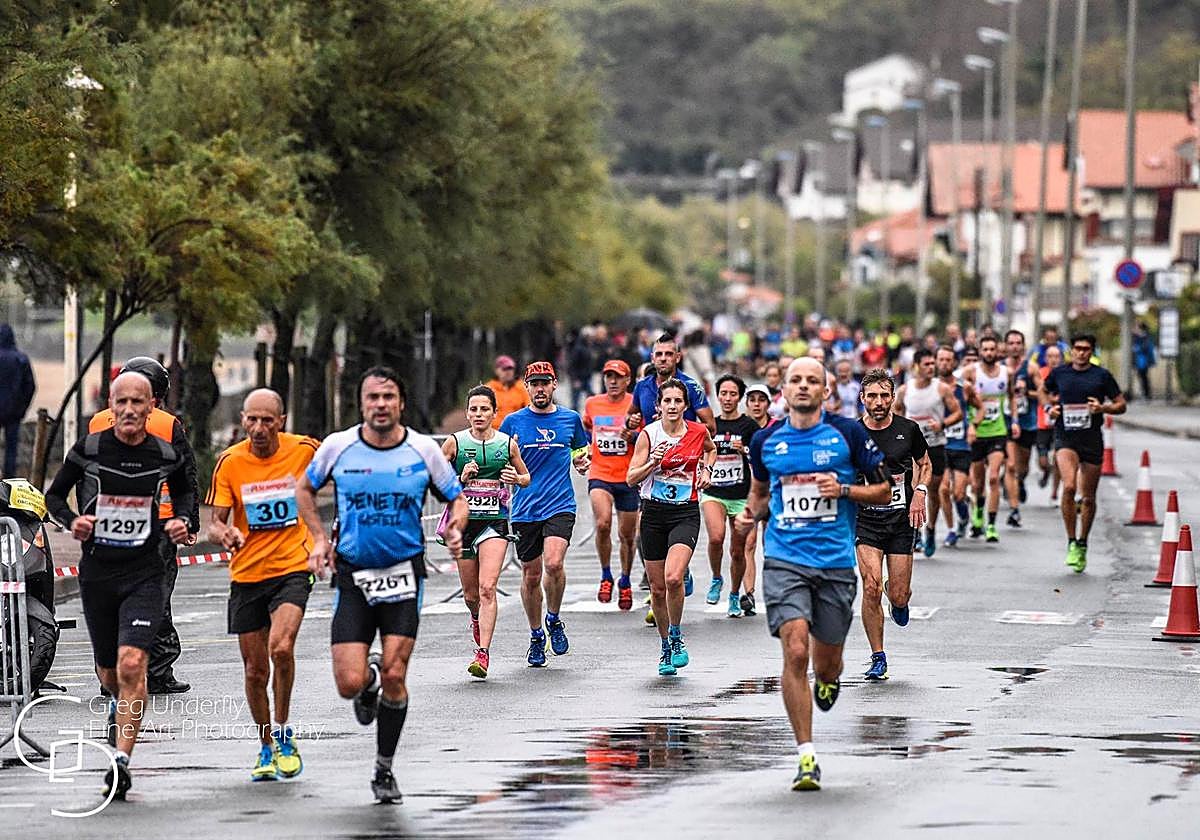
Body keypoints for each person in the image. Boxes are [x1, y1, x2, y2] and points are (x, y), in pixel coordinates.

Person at [297, 366, 467, 804]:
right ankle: (367, 681)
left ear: (401, 404)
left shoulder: (422, 450)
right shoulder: (338, 447)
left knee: (397, 673)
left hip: (404, 574)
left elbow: (457, 498)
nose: (381, 405)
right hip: (354, 575)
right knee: (348, 683)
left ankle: (384, 768)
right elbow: (304, 489)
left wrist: (455, 527)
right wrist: (318, 538)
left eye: (388, 397)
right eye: (373, 397)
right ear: (361, 403)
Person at [736, 357, 891, 791]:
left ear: (826, 391)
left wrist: (843, 490)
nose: (803, 386)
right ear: (784, 390)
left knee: (826, 664)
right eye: (795, 380)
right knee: (795, 649)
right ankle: (806, 755)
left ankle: (829, 678)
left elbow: (884, 490)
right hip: (784, 558)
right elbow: (760, 492)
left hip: (835, 562)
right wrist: (749, 514)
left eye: (812, 381)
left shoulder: (848, 434)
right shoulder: (765, 440)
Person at [46, 372, 195, 799]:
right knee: (110, 672)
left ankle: (121, 761)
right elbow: (54, 496)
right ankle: (117, 704)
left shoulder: (165, 453)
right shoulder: (90, 449)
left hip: (146, 571)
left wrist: (183, 521)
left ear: (152, 407)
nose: (129, 410)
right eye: (121, 402)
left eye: (138, 402)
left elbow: (186, 494)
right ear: (111, 405)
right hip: (98, 573)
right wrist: (72, 521)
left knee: (133, 664)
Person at [207, 389, 320, 781]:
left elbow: (339, 471)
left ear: (281, 422)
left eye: (266, 421)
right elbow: (215, 522)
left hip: (292, 566)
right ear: (242, 419)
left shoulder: (304, 450)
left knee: (281, 647)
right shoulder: (230, 461)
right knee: (255, 671)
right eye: (251, 420)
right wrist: (224, 534)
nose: (258, 428)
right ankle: (266, 745)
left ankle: (285, 732)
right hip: (247, 575)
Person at [89, 356, 197, 695]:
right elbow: (185, 475)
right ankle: (159, 672)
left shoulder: (97, 422)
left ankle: (110, 674)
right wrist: (189, 519)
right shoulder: (167, 423)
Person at [500, 361, 591, 666]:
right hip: (525, 508)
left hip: (560, 504)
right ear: (526, 387)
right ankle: (536, 634)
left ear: (554, 385)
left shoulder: (570, 419)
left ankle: (553, 617)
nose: (540, 389)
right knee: (531, 575)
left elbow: (580, 451)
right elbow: (500, 460)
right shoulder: (512, 423)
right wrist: (507, 471)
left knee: (553, 563)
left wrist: (581, 462)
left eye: (545, 383)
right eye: (534, 383)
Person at [627, 378, 716, 675]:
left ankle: (676, 636)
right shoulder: (649, 435)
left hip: (684, 512)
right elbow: (631, 478)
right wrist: (652, 463)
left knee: (674, 578)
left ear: (686, 405)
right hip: (653, 513)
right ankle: (665, 645)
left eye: (678, 401)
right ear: (659, 405)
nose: (673, 406)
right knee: (657, 588)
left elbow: (711, 449)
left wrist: (707, 470)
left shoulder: (698, 432)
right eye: (668, 401)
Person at [441, 385, 530, 679]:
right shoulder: (454, 443)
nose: (479, 414)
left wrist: (515, 477)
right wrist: (460, 477)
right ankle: (476, 617)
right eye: (474, 409)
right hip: (464, 525)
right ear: (467, 413)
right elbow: (435, 482)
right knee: (471, 595)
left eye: (484, 409)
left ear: (494, 413)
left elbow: (526, 477)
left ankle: (483, 653)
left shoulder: (507, 444)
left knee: (487, 587)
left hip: (495, 522)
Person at [856, 369, 930, 682]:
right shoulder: (852, 433)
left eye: (884, 395)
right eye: (872, 396)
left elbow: (925, 463)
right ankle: (878, 657)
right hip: (865, 521)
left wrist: (920, 492)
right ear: (862, 398)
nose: (878, 401)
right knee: (870, 586)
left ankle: (896, 596)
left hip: (900, 521)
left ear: (892, 398)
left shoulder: (908, 430)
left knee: (899, 597)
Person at [1044, 334, 1126, 572]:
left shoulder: (1102, 376)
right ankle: (1071, 541)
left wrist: (1103, 408)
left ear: (1092, 352)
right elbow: (1043, 391)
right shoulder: (1060, 373)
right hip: (1065, 437)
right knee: (1069, 487)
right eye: (1077, 348)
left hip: (1091, 440)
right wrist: (1049, 408)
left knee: (1088, 498)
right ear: (1071, 350)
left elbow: (1121, 405)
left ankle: (1083, 542)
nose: (1081, 353)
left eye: (1086, 349)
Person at [700, 375, 760, 616]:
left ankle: (735, 594)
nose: (727, 398)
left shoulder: (749, 426)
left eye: (732, 394)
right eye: (723, 393)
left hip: (741, 495)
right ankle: (716, 577)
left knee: (738, 550)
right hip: (714, 491)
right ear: (717, 396)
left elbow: (760, 457)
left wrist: (744, 450)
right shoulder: (710, 426)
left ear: (739, 397)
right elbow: (700, 453)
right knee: (716, 537)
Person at [583, 360, 639, 610]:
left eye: (618, 377)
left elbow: (649, 434)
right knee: (603, 523)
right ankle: (606, 575)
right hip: (601, 473)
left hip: (628, 477)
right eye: (609, 377)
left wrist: (633, 436)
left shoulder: (635, 404)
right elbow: (585, 428)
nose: (613, 381)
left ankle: (625, 579)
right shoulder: (592, 404)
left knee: (627, 535)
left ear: (628, 380)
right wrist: (586, 447)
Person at [895, 349, 961, 557]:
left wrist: (942, 424)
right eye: (927, 364)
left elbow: (958, 413)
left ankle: (930, 527)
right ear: (916, 366)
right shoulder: (905, 390)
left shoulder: (941, 388)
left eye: (933, 364)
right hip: (913, 448)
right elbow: (896, 413)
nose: (931, 367)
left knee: (932, 492)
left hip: (936, 446)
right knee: (914, 488)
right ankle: (916, 532)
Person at [963, 336, 1012, 543]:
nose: (989, 353)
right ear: (980, 351)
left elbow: (1012, 397)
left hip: (997, 431)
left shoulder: (1006, 373)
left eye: (992, 349)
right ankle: (978, 515)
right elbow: (956, 391)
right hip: (977, 433)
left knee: (993, 478)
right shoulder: (970, 372)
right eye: (986, 349)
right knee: (977, 483)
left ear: (997, 351)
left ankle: (991, 525)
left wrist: (1015, 421)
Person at [630, 334, 716, 434]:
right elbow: (629, 415)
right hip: (651, 444)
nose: (663, 358)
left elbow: (711, 428)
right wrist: (630, 422)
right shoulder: (641, 386)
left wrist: (676, 424)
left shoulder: (692, 387)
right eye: (659, 354)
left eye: (668, 354)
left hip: (683, 444)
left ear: (678, 357)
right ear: (652, 358)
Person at [738, 384, 775, 616]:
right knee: (748, 543)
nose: (757, 404)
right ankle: (748, 594)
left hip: (772, 492)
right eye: (752, 400)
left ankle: (774, 592)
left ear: (768, 404)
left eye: (761, 400)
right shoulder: (741, 427)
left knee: (770, 545)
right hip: (749, 492)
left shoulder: (776, 428)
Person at [936, 345, 974, 547]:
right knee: (943, 489)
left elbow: (980, 408)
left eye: (948, 360)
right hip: (940, 445)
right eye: (941, 360)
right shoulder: (930, 388)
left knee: (958, 493)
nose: (944, 364)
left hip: (961, 445)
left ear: (954, 363)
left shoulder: (964, 387)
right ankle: (951, 530)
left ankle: (964, 517)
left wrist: (974, 426)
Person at [1004, 330, 1040, 528]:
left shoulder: (1031, 368)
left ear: (1023, 346)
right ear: (1006, 346)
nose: (1015, 346)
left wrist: (1027, 392)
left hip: (1028, 422)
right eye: (1011, 343)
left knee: (1022, 467)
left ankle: (1020, 481)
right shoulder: (1000, 369)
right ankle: (1014, 509)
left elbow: (1043, 394)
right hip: (1006, 422)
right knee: (1010, 465)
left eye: (1018, 343)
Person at [0, 323, 35, 478]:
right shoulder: (21, 359)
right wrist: (22, 408)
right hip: (13, 412)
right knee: (11, 449)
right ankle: (8, 479)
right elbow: (30, 386)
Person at [1034, 345, 1064, 500]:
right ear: (1046, 358)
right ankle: (1046, 472)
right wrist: (1048, 399)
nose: (1054, 360)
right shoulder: (1041, 373)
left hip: (1060, 423)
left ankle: (1054, 492)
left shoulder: (1065, 374)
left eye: (1057, 356)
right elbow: (1036, 392)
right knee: (1043, 462)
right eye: (1051, 356)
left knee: (1059, 460)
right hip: (1042, 422)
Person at [486, 355, 531, 429]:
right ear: (496, 370)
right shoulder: (488, 389)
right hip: (494, 431)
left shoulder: (522, 388)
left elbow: (530, 409)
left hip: (516, 430)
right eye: (504, 369)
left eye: (510, 369)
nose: (508, 372)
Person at [1133, 321, 1156, 400]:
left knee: (1144, 377)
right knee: (1142, 377)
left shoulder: (1145, 338)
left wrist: (1137, 348)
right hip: (1140, 361)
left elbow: (1144, 348)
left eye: (1137, 328)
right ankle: (1145, 394)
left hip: (1143, 361)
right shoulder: (1138, 337)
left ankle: (1147, 394)